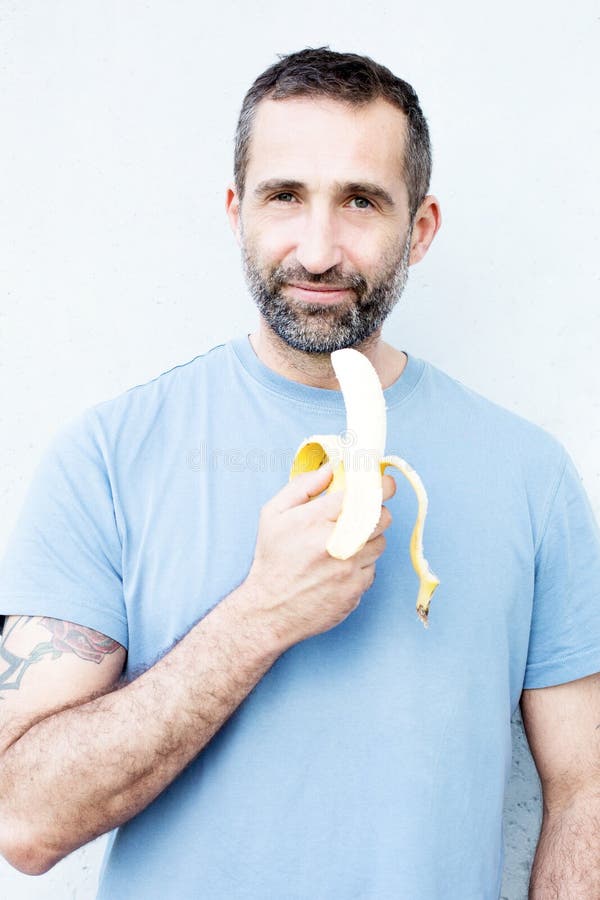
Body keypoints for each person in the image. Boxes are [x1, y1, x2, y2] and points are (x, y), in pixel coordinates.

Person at [0, 46, 599, 900]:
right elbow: (21, 822)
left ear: (419, 228)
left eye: (361, 201)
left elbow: (586, 794)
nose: (318, 250)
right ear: (238, 209)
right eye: (286, 197)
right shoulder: (105, 457)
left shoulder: (532, 476)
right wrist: (260, 616)